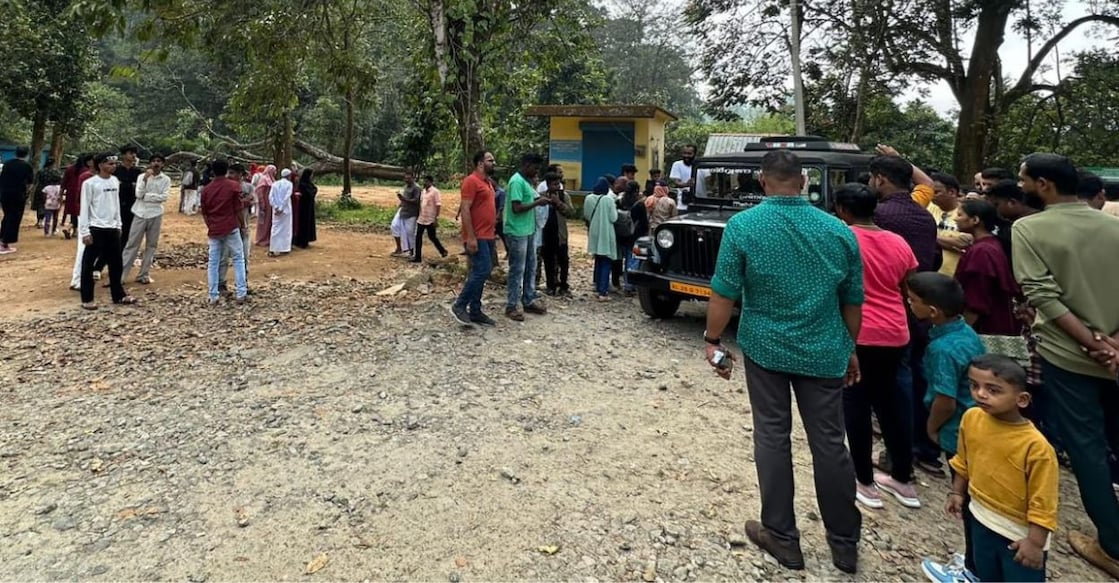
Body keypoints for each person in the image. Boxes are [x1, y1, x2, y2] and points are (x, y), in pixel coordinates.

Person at [704, 150, 864, 575]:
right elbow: (852, 300)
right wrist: (850, 347)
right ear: (804, 179)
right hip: (824, 349)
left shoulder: (744, 226)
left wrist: (713, 339)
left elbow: (723, 293)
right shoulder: (838, 231)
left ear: (762, 180)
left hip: (767, 348)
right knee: (830, 442)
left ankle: (782, 535)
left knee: (772, 436)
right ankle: (844, 543)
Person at [1014, 153, 1119, 579]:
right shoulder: (1114, 227)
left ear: (1043, 185)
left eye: (1023, 180)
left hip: (1069, 356)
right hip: (1113, 353)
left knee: (1088, 449)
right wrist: (1113, 345)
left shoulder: (1029, 228)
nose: (1019, 186)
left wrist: (1092, 344)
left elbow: (1041, 295)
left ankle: (1112, 544)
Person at [923, 354, 1058, 583]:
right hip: (980, 515)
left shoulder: (1036, 447)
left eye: (994, 390)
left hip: (1017, 532)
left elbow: (1043, 500)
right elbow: (963, 461)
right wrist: (957, 492)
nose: (981, 394)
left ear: (1022, 399)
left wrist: (1035, 543)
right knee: (986, 573)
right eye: (974, 386)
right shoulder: (972, 418)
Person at [833, 183, 920, 511]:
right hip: (896, 332)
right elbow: (906, 284)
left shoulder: (844, 239)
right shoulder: (898, 242)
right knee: (891, 405)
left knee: (855, 403)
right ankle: (903, 479)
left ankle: (864, 481)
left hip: (859, 332)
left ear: (843, 210)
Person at [906, 271, 986, 577]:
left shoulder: (943, 349)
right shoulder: (966, 333)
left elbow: (946, 399)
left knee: (969, 502)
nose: (909, 305)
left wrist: (931, 428)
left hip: (957, 430)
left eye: (913, 301)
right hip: (975, 425)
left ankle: (973, 569)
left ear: (933, 311)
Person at [869, 151, 943, 475]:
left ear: (880, 180)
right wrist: (901, 160)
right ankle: (927, 447)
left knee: (894, 384)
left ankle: (901, 457)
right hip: (922, 311)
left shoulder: (879, 216)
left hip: (889, 310)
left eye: (873, 177)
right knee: (917, 378)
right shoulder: (923, 213)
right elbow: (926, 182)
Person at [78, 152, 137, 309]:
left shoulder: (114, 181)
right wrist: (85, 231)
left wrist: (118, 225)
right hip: (96, 227)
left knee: (116, 263)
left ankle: (118, 295)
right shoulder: (90, 183)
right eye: (109, 164)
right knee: (89, 264)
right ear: (100, 165)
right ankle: (87, 298)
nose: (113, 166)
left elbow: (115, 204)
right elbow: (84, 208)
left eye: (114, 164)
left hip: (112, 227)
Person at [954, 199, 1019, 336]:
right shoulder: (990, 244)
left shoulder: (982, 252)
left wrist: (961, 335)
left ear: (975, 220)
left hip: (985, 327)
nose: (955, 219)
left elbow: (976, 301)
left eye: (960, 215)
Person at [450, 151, 499, 327]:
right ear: (480, 163)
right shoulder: (471, 181)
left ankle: (476, 310)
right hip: (477, 235)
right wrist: (470, 236)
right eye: (490, 160)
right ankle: (460, 304)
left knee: (481, 270)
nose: (494, 163)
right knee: (482, 270)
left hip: (488, 234)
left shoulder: (488, 183)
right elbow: (465, 209)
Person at [503, 153, 549, 321]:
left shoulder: (527, 182)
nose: (536, 171)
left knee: (531, 265)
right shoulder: (516, 182)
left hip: (528, 230)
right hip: (517, 231)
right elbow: (516, 208)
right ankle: (512, 305)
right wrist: (537, 203)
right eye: (535, 168)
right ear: (527, 165)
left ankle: (528, 298)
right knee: (517, 269)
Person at [200, 158, 247, 305]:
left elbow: (205, 212)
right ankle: (241, 292)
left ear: (213, 171)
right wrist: (243, 225)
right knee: (238, 258)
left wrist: (210, 225)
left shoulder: (206, 189)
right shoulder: (233, 186)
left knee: (213, 262)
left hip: (215, 228)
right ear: (226, 170)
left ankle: (213, 295)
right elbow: (237, 208)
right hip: (231, 226)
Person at [120, 154, 171, 285]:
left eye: (159, 161)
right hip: (140, 213)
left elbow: (164, 197)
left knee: (151, 245)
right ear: (149, 163)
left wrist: (147, 197)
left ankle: (144, 274)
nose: (156, 163)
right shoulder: (141, 177)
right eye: (153, 161)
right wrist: (145, 181)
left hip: (156, 214)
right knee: (132, 244)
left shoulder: (166, 179)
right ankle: (121, 275)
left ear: (163, 164)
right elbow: (138, 194)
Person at [218, 164, 254, 293]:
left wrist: (241, 203)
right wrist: (242, 202)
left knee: (244, 257)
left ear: (240, 174)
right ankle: (221, 283)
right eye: (229, 173)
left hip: (244, 226)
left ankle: (243, 283)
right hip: (229, 227)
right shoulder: (225, 188)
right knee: (224, 257)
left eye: (232, 173)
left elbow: (251, 201)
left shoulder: (248, 187)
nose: (229, 176)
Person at [539, 171, 575, 296]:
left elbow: (570, 212)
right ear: (548, 185)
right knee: (548, 261)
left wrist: (558, 203)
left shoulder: (564, 196)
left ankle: (564, 285)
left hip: (560, 235)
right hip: (546, 234)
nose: (557, 187)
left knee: (563, 261)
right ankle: (551, 285)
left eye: (558, 184)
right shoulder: (541, 196)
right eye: (554, 184)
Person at [928, 172, 971, 276]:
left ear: (951, 192)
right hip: (930, 276)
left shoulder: (967, 212)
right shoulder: (927, 208)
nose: (932, 195)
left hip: (955, 275)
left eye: (936, 192)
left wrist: (928, 237)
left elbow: (964, 243)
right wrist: (949, 242)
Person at [584, 177, 618, 302]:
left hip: (594, 232)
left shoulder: (588, 198)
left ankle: (597, 286)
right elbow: (613, 218)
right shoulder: (608, 200)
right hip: (606, 233)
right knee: (606, 261)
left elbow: (587, 215)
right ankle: (603, 292)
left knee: (598, 259)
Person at [0, 145, 34, 254]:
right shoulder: (27, 166)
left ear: (16, 153)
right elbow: (30, 183)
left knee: (7, 215)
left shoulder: (7, 164)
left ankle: (2, 239)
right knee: (14, 218)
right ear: (27, 154)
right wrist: (27, 194)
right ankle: (4, 243)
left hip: (4, 194)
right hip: (18, 195)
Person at [621, 180, 648, 295]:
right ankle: (630, 286)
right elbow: (644, 222)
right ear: (637, 191)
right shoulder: (640, 204)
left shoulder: (622, 201)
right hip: (637, 236)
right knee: (635, 261)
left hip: (626, 235)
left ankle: (627, 283)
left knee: (627, 260)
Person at [413, 175, 447, 262]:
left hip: (430, 219)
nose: (424, 183)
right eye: (424, 181)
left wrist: (436, 218)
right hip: (422, 218)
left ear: (430, 182)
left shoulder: (435, 192)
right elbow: (421, 204)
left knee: (432, 237)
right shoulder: (423, 191)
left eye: (426, 181)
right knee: (418, 237)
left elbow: (438, 205)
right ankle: (418, 257)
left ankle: (443, 251)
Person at [114, 145, 143, 241]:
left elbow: (140, 187)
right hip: (118, 202)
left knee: (130, 229)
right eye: (130, 153)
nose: (133, 155)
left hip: (133, 203)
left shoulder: (137, 172)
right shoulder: (116, 170)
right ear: (123, 155)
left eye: (134, 153)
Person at [391, 171, 421, 257]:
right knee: (394, 226)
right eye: (405, 178)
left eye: (408, 178)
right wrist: (401, 203)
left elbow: (416, 201)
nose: (406, 180)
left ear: (413, 178)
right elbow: (405, 198)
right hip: (403, 210)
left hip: (411, 213)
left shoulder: (416, 188)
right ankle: (399, 248)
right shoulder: (406, 187)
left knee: (409, 232)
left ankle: (412, 252)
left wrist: (403, 199)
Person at [60, 154, 88, 238]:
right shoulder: (86, 170)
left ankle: (73, 229)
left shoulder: (69, 169)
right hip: (81, 193)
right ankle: (72, 228)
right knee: (79, 213)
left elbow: (64, 181)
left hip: (71, 192)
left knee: (73, 212)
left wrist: (61, 193)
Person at [268, 168, 294, 256]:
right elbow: (287, 197)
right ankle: (285, 248)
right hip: (285, 210)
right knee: (286, 229)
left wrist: (275, 207)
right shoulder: (289, 184)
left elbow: (270, 197)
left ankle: (273, 248)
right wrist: (281, 207)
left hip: (276, 211)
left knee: (275, 228)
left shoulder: (275, 184)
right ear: (289, 176)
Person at [293, 168, 317, 249]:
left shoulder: (309, 183)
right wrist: (312, 192)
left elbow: (314, 189)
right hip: (303, 208)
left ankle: (307, 239)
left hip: (309, 207)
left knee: (308, 223)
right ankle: (301, 241)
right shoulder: (302, 184)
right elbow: (309, 193)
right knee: (303, 224)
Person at [254, 164, 276, 247]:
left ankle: (267, 238)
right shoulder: (263, 179)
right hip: (265, 203)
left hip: (270, 203)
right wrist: (262, 203)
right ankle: (261, 239)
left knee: (269, 221)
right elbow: (260, 192)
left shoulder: (272, 179)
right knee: (263, 222)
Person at [669, 144, 696, 211]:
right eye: (684, 153)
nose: (686, 156)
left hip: (699, 202)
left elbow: (709, 182)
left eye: (689, 153)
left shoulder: (701, 164)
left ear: (694, 154)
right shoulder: (677, 165)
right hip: (683, 204)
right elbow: (677, 183)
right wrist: (687, 184)